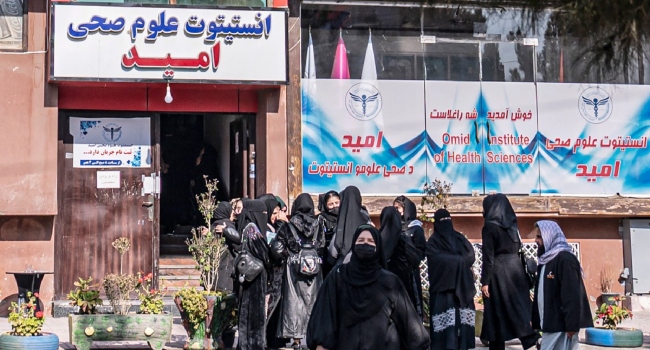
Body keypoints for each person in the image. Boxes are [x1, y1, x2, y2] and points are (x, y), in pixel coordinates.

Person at [306, 224, 430, 350]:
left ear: (378, 247)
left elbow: (411, 326)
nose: (365, 244)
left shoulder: (389, 282)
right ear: (353, 244)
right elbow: (324, 317)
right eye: (361, 240)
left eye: (371, 241)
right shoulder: (338, 277)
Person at [480, 193, 540, 350]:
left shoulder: (489, 227)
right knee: (518, 306)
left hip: (498, 272)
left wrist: (484, 281)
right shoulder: (513, 226)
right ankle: (530, 338)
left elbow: (488, 256)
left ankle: (526, 339)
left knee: (498, 310)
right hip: (516, 270)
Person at [532, 221, 593, 350]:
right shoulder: (546, 261)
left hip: (562, 326)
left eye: (539, 237)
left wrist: (571, 326)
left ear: (549, 237)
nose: (536, 241)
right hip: (550, 325)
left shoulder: (565, 259)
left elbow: (571, 294)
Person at [273, 193, 324, 349]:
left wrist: (288, 257)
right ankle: (314, 335)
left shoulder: (287, 226)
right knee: (314, 301)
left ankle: (296, 339)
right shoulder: (319, 225)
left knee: (294, 302)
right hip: (315, 270)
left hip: (293, 270)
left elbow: (277, 248)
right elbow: (322, 247)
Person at [426, 209, 476, 350]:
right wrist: (459, 261)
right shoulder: (433, 243)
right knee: (445, 337)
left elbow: (470, 255)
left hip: (462, 291)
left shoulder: (459, 239)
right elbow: (436, 260)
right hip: (443, 293)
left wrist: (453, 262)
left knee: (463, 335)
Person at [235, 199, 272, 350]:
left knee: (246, 311)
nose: (264, 215)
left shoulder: (246, 227)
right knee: (255, 313)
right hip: (255, 278)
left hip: (249, 276)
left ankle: (245, 344)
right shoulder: (252, 229)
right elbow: (264, 254)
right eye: (262, 213)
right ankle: (254, 344)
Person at [392, 195, 427, 317]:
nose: (396, 210)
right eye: (394, 208)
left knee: (412, 303)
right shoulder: (392, 226)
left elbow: (421, 250)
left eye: (399, 208)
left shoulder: (415, 228)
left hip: (410, 272)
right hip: (394, 271)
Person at [330, 186, 370, 266]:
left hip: (344, 268)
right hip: (365, 267)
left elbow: (333, 252)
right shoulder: (367, 221)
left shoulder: (342, 221)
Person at [211, 201, 240, 293]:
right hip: (226, 272)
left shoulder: (213, 225)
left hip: (213, 273)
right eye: (231, 210)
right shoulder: (227, 225)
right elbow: (237, 242)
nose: (234, 212)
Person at [317, 190, 340, 277]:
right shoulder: (322, 218)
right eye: (331, 204)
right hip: (327, 257)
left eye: (337, 203)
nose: (334, 206)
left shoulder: (344, 216)